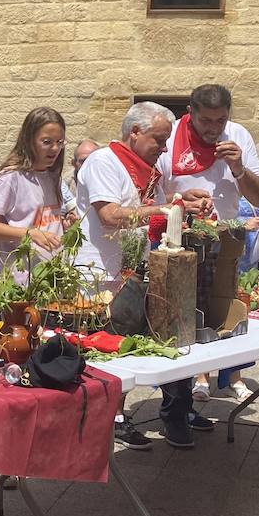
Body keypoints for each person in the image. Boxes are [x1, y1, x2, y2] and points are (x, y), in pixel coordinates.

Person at [75, 102, 204, 450]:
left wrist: (180, 200)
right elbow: (111, 216)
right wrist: (166, 208)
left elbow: (151, 214)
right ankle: (110, 418)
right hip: (101, 271)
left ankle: (171, 411)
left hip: (136, 268)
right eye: (158, 140)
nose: (164, 148)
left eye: (166, 142)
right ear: (134, 132)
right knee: (108, 346)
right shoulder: (104, 161)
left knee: (132, 344)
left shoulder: (147, 167)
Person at [156, 85, 259, 426]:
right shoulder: (172, 135)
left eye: (220, 120)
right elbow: (152, 192)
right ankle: (174, 411)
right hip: (179, 245)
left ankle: (190, 402)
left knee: (216, 325)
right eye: (206, 120)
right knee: (178, 328)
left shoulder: (237, 136)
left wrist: (238, 169)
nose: (213, 128)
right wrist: (180, 202)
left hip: (225, 244)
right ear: (190, 112)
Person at [0, 107, 68, 273]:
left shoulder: (53, 176)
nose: (55, 149)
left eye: (60, 142)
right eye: (47, 142)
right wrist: (30, 234)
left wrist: (65, 221)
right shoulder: (11, 177)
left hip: (52, 275)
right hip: (19, 278)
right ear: (29, 140)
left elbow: (43, 219)